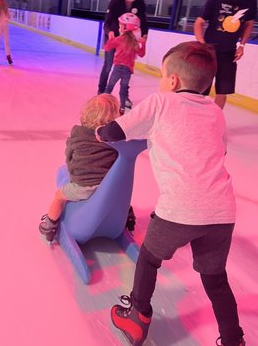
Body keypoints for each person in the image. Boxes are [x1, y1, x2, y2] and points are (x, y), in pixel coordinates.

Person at [96, 41, 245, 346]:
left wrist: (98, 133)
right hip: (222, 212)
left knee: (149, 258)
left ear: (173, 81)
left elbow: (115, 132)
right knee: (215, 278)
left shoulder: (160, 102)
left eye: (163, 76)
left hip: (179, 209)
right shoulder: (217, 114)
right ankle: (233, 339)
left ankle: (137, 316)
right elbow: (221, 150)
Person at [39, 94, 120, 242]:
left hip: (84, 187)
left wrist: (73, 172)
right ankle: (126, 212)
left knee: (58, 196)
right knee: (120, 193)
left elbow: (69, 156)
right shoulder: (115, 138)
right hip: (109, 186)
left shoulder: (78, 134)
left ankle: (50, 224)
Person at [194, 0, 257, 109]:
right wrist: (203, 45)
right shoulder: (215, 0)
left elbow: (249, 23)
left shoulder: (250, 0)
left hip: (229, 53)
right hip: (209, 51)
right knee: (201, 90)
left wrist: (242, 45)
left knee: (223, 91)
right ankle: (197, 118)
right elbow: (199, 23)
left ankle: (216, 120)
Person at [97, 0, 148, 109]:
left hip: (129, 38)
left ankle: (124, 96)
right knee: (108, 65)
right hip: (113, 35)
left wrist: (144, 37)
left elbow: (143, 22)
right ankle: (102, 92)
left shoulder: (139, 2)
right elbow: (107, 22)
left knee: (127, 66)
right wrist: (110, 33)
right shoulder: (116, 1)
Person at [104, 13, 146, 114]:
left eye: (120, 25)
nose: (119, 28)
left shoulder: (119, 39)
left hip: (118, 68)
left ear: (125, 27)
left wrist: (111, 38)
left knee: (109, 88)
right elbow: (141, 54)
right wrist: (143, 44)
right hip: (127, 71)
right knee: (123, 91)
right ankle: (122, 109)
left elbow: (107, 48)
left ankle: (104, 104)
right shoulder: (134, 42)